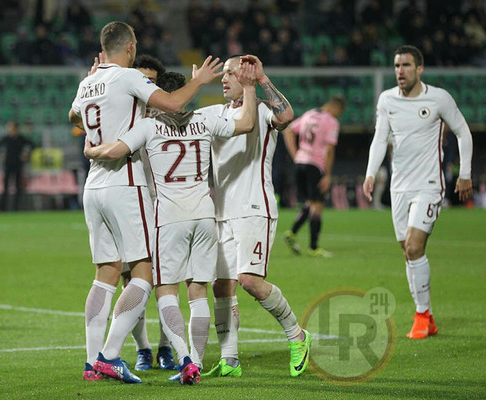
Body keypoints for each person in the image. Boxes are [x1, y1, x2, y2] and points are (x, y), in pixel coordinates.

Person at [68, 21, 223, 384]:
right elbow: (173, 102)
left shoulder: (88, 82)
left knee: (106, 273)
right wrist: (199, 81)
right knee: (145, 273)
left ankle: (91, 364)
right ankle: (109, 356)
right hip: (125, 181)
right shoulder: (128, 77)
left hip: (94, 186)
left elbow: (73, 117)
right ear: (131, 47)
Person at [83, 65, 258, 384]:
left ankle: (184, 360)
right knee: (198, 291)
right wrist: (249, 87)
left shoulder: (148, 126)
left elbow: (116, 150)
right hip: (205, 215)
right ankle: (196, 363)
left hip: (170, 218)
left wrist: (90, 149)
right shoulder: (204, 119)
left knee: (165, 292)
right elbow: (246, 123)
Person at [202, 54, 310, 378]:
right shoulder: (217, 113)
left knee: (249, 281)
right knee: (221, 286)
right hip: (222, 211)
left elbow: (287, 115)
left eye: (230, 73)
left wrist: (262, 79)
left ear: (246, 78)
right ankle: (230, 359)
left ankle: (297, 335)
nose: (224, 79)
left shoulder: (263, 110)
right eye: (223, 74)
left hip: (253, 207)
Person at [363, 45, 473, 340]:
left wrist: (464, 174)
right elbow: (380, 139)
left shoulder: (438, 98)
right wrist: (371, 173)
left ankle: (422, 314)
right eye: (397, 66)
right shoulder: (387, 99)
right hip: (399, 187)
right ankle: (428, 316)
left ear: (419, 69)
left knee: (413, 247)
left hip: (428, 185)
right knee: (407, 251)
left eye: (406, 65)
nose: (400, 71)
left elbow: (463, 131)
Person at [124, 54, 175, 372]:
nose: (144, 87)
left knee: (167, 280)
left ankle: (166, 347)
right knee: (132, 281)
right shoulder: (120, 119)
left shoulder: (170, 120)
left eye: (151, 82)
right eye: (140, 79)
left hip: (164, 209)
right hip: (130, 208)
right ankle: (142, 348)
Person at [282, 96, 347, 257]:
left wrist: (295, 155)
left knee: (310, 203)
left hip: (300, 163)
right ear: (337, 108)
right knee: (317, 206)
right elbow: (329, 150)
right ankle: (314, 247)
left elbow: (288, 130)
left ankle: (292, 232)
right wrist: (328, 174)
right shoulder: (331, 121)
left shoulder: (309, 114)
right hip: (315, 165)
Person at [0, 121, 34, 211]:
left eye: (11, 127)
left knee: (18, 187)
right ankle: (3, 208)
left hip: (18, 164)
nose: (9, 129)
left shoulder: (21, 139)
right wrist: (0, 154)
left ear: (15, 128)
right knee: (5, 187)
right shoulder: (6, 139)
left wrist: (27, 154)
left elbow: (32, 145)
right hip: (8, 164)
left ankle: (17, 208)